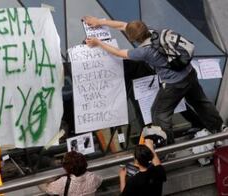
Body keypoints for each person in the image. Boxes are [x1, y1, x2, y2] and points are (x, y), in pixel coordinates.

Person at [83, 16, 225, 144]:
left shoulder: (144, 51)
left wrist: (98, 43)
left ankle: (167, 146)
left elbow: (119, 53)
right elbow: (123, 25)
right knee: (200, 102)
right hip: (189, 73)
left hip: (174, 84)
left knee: (159, 113)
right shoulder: (153, 32)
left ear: (134, 39)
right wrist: (99, 22)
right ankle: (219, 128)